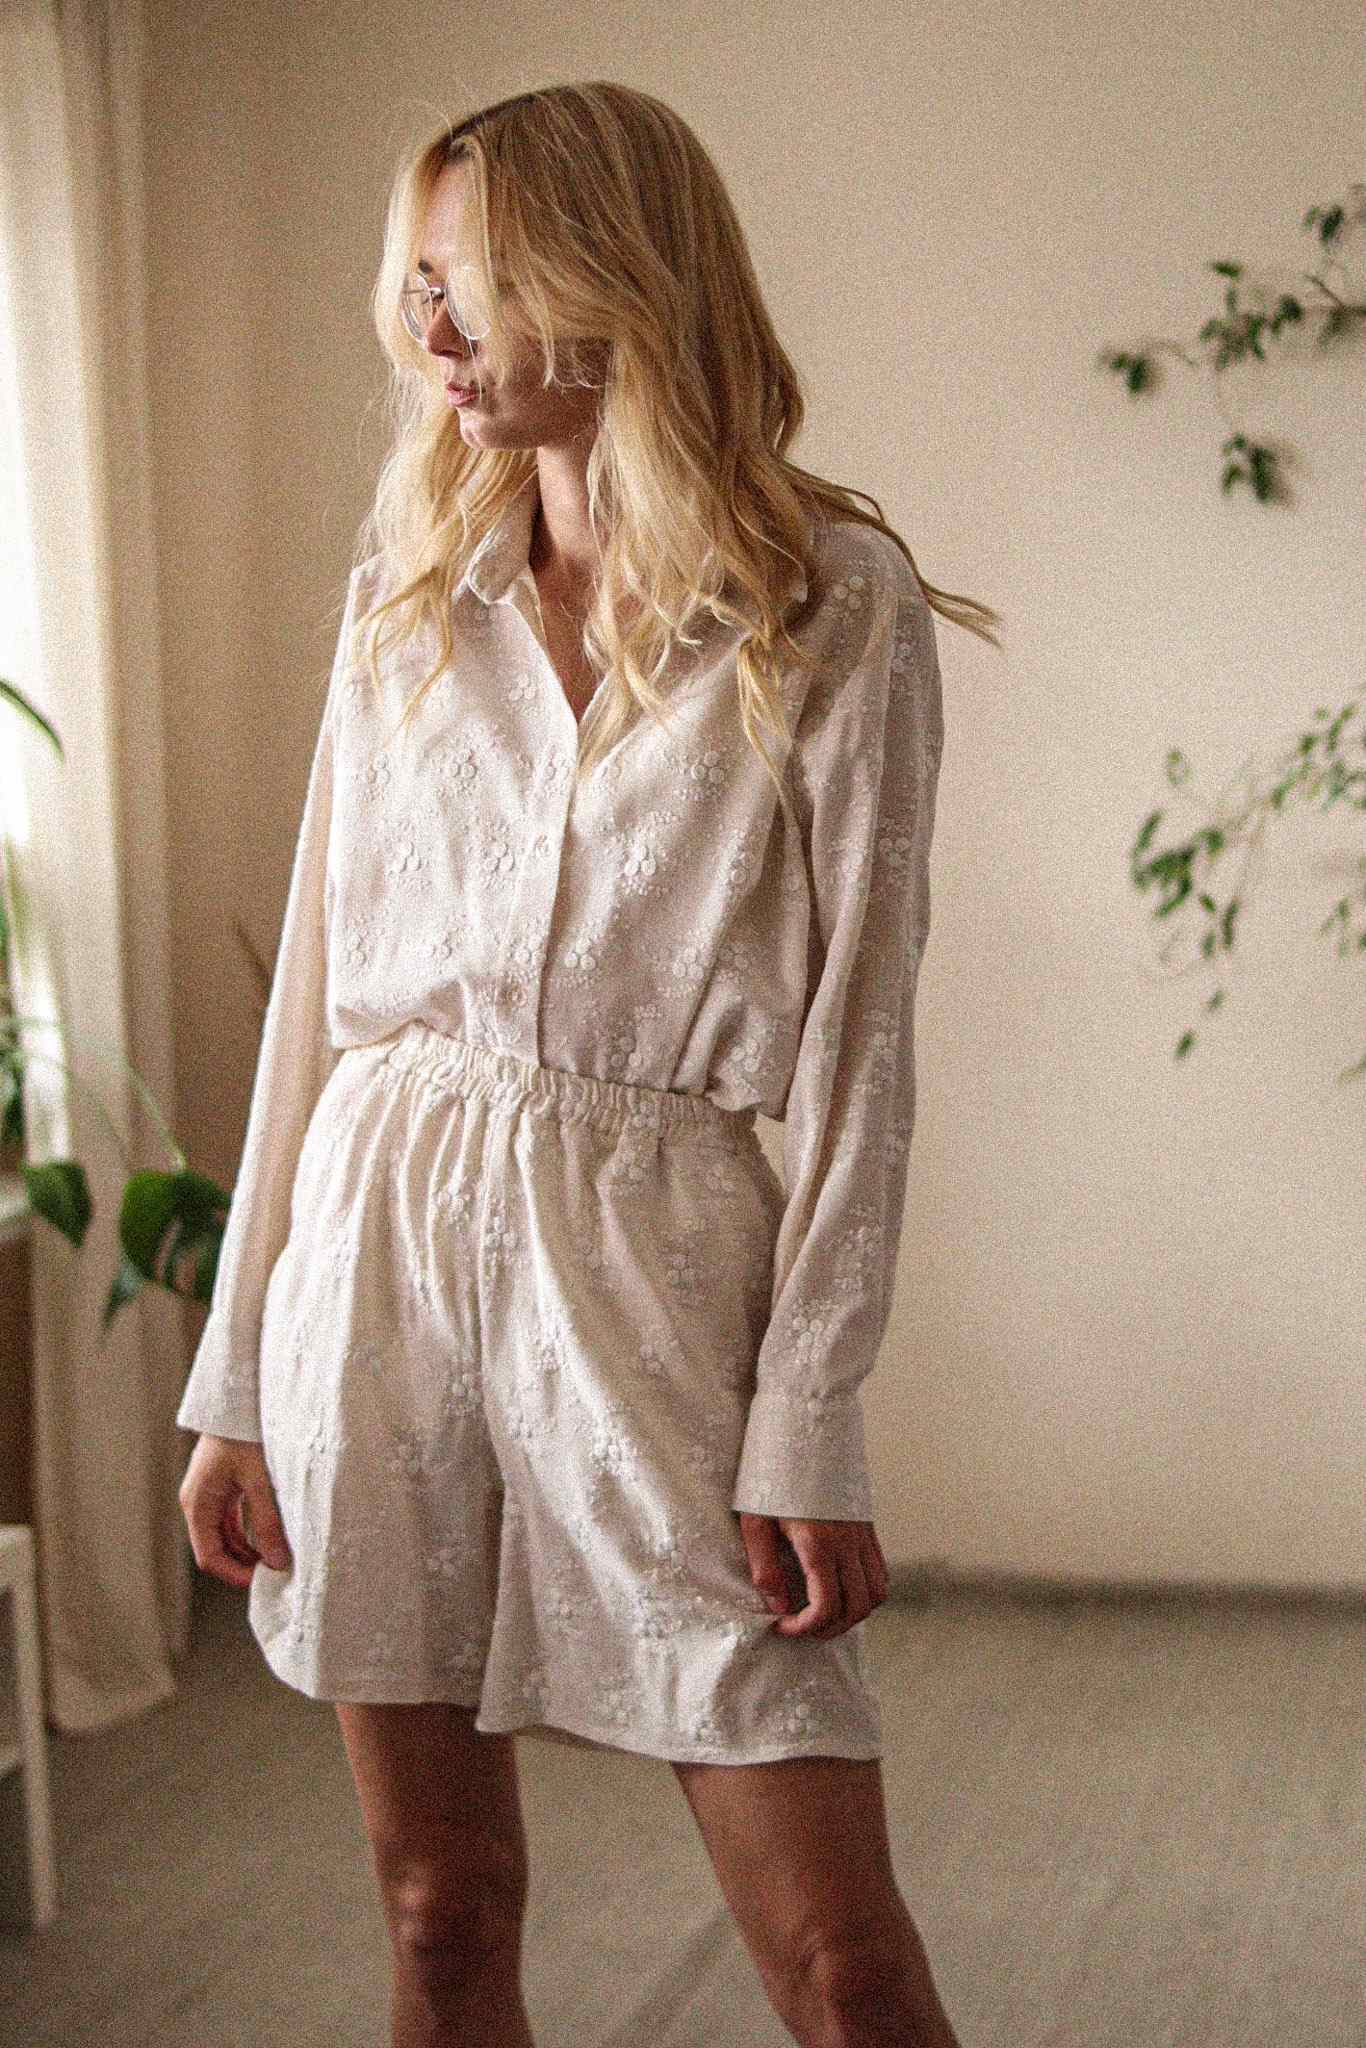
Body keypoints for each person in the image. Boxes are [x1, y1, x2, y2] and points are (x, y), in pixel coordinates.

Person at [177, 79, 1000, 2048]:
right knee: (440, 1913)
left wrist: (806, 1420)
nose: (429, 327)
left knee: (841, 1963)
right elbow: (316, 1006)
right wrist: (235, 1377)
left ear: (616, 277)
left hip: (654, 1275)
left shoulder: (830, 602)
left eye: (469, 278)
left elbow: (859, 1045)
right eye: (415, 282)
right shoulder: (405, 598)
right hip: (378, 1245)